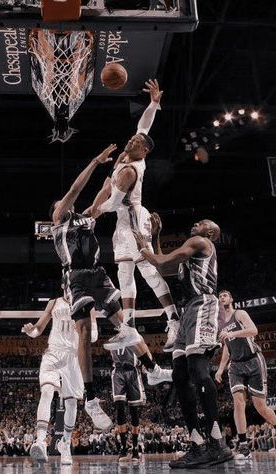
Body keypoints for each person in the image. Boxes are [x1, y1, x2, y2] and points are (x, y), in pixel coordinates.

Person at [50, 145, 172, 431]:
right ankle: (91, 399)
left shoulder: (85, 218)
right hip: (76, 277)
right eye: (63, 204)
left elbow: (101, 198)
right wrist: (94, 160)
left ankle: (152, 370)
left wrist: (115, 171)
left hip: (98, 275)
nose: (67, 205)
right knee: (83, 331)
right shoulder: (59, 220)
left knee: (125, 326)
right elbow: (76, 189)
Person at [85, 79, 180, 352]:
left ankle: (173, 320)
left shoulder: (131, 169)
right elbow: (144, 127)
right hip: (124, 222)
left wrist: (94, 212)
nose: (131, 139)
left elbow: (113, 203)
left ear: (144, 150)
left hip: (133, 219)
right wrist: (153, 103)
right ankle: (128, 327)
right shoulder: (129, 155)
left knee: (148, 272)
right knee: (124, 273)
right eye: (132, 138)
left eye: (136, 142)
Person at [133, 215, 233, 468]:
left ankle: (217, 442)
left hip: (203, 305)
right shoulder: (190, 252)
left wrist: (143, 245)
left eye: (201, 223)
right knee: (179, 376)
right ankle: (197, 445)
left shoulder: (200, 242)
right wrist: (156, 238)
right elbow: (164, 268)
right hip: (188, 310)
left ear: (210, 233)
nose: (194, 225)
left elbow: (162, 259)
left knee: (198, 371)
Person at [215, 289, 276, 458]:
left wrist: (232, 333)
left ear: (231, 299)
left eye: (225, 295)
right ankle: (243, 445)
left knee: (260, 407)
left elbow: (254, 330)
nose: (222, 298)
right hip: (236, 365)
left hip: (254, 360)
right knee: (238, 402)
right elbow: (226, 347)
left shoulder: (239, 313)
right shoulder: (220, 324)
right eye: (219, 296)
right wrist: (220, 368)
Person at [22, 294, 84, 464]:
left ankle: (65, 444)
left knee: (71, 402)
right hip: (53, 353)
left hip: (73, 356)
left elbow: (93, 335)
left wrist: (82, 329)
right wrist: (30, 331)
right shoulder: (54, 302)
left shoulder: (86, 301)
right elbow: (38, 329)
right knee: (47, 391)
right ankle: (40, 441)